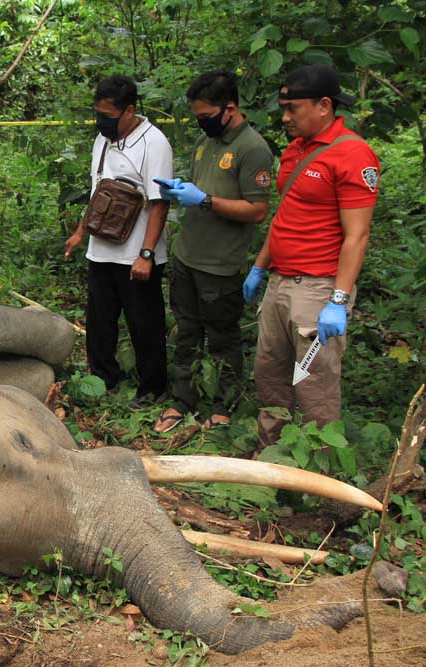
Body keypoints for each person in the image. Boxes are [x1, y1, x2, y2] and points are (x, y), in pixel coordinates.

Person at [243, 64, 379, 449]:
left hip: (318, 289)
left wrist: (338, 300)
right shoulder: (296, 149)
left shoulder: (353, 153)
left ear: (324, 106)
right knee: (270, 375)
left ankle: (317, 479)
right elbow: (285, 214)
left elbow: (357, 235)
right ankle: (271, 462)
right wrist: (259, 266)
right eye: (283, 109)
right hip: (280, 282)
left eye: (293, 109)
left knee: (313, 384)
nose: (285, 118)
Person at [152, 70, 274, 433]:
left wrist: (204, 200)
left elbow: (257, 209)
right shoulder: (206, 142)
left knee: (222, 339)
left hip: (220, 265)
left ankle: (223, 405)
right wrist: (181, 191)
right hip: (187, 255)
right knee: (186, 332)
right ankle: (182, 400)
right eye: (197, 117)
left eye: (205, 117)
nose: (201, 123)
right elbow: (202, 188)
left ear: (230, 108)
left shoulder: (253, 149)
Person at [64, 75, 173, 408]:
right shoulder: (102, 140)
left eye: (108, 115)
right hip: (101, 250)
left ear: (129, 111)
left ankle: (152, 387)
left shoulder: (154, 143)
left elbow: (159, 202)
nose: (102, 121)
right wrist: (82, 231)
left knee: (144, 325)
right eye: (98, 114)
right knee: (99, 323)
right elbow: (100, 190)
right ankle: (102, 380)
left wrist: (146, 253)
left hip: (136, 254)